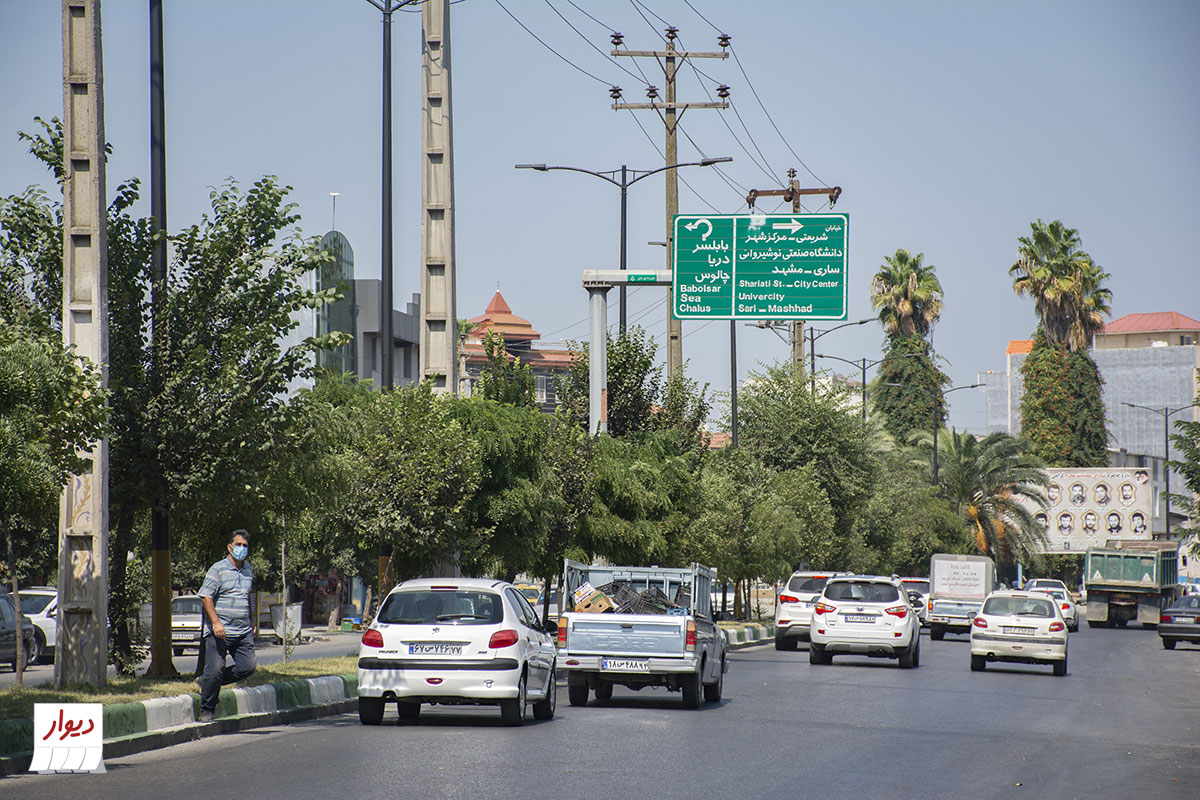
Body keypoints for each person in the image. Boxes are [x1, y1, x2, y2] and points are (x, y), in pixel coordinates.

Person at [197, 529, 257, 723]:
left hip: (242, 631)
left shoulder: (248, 570)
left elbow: (246, 596)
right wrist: (216, 623)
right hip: (220, 631)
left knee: (248, 667)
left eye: (245, 545)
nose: (241, 548)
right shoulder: (218, 569)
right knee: (215, 670)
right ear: (230, 547)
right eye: (238, 544)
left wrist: (251, 621)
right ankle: (207, 709)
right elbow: (206, 597)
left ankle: (207, 682)